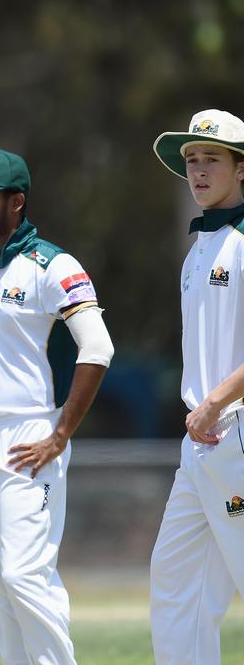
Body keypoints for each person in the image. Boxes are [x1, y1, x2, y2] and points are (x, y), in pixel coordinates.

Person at [0, 148, 113, 665]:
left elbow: (98, 347)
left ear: (16, 201)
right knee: (0, 583)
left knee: (25, 575)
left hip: (30, 438)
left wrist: (59, 434)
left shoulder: (53, 263)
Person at [150, 110, 244, 664]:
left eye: (212, 159)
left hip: (233, 432)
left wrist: (215, 401)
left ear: (241, 167)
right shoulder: (199, 250)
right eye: (191, 160)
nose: (199, 170)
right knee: (176, 586)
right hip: (202, 445)